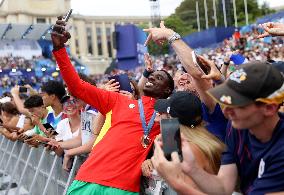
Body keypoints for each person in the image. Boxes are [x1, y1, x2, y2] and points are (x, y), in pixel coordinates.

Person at [51, 17, 175, 194]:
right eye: (152, 75)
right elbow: (77, 87)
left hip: (122, 187)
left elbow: (172, 149)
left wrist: (154, 160)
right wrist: (59, 49)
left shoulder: (168, 113)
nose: (153, 77)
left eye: (160, 77)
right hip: (86, 179)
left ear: (168, 90)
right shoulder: (119, 101)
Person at [161, 62, 284, 194]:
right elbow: (223, 187)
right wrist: (192, 169)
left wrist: (178, 184)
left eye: (238, 103)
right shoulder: (237, 128)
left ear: (269, 108)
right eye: (226, 101)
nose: (226, 111)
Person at [143, 91, 225, 194]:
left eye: (163, 114)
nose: (156, 119)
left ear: (172, 120)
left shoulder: (193, 149)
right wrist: (151, 163)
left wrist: (168, 176)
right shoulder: (175, 141)